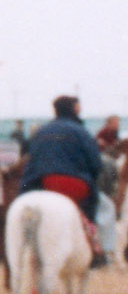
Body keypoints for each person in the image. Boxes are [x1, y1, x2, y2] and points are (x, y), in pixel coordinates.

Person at [17, 95, 106, 259]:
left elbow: (29, 161)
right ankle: (94, 245)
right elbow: (96, 164)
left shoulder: (41, 131)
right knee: (103, 207)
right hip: (74, 185)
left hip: (42, 183)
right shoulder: (82, 132)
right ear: (74, 110)